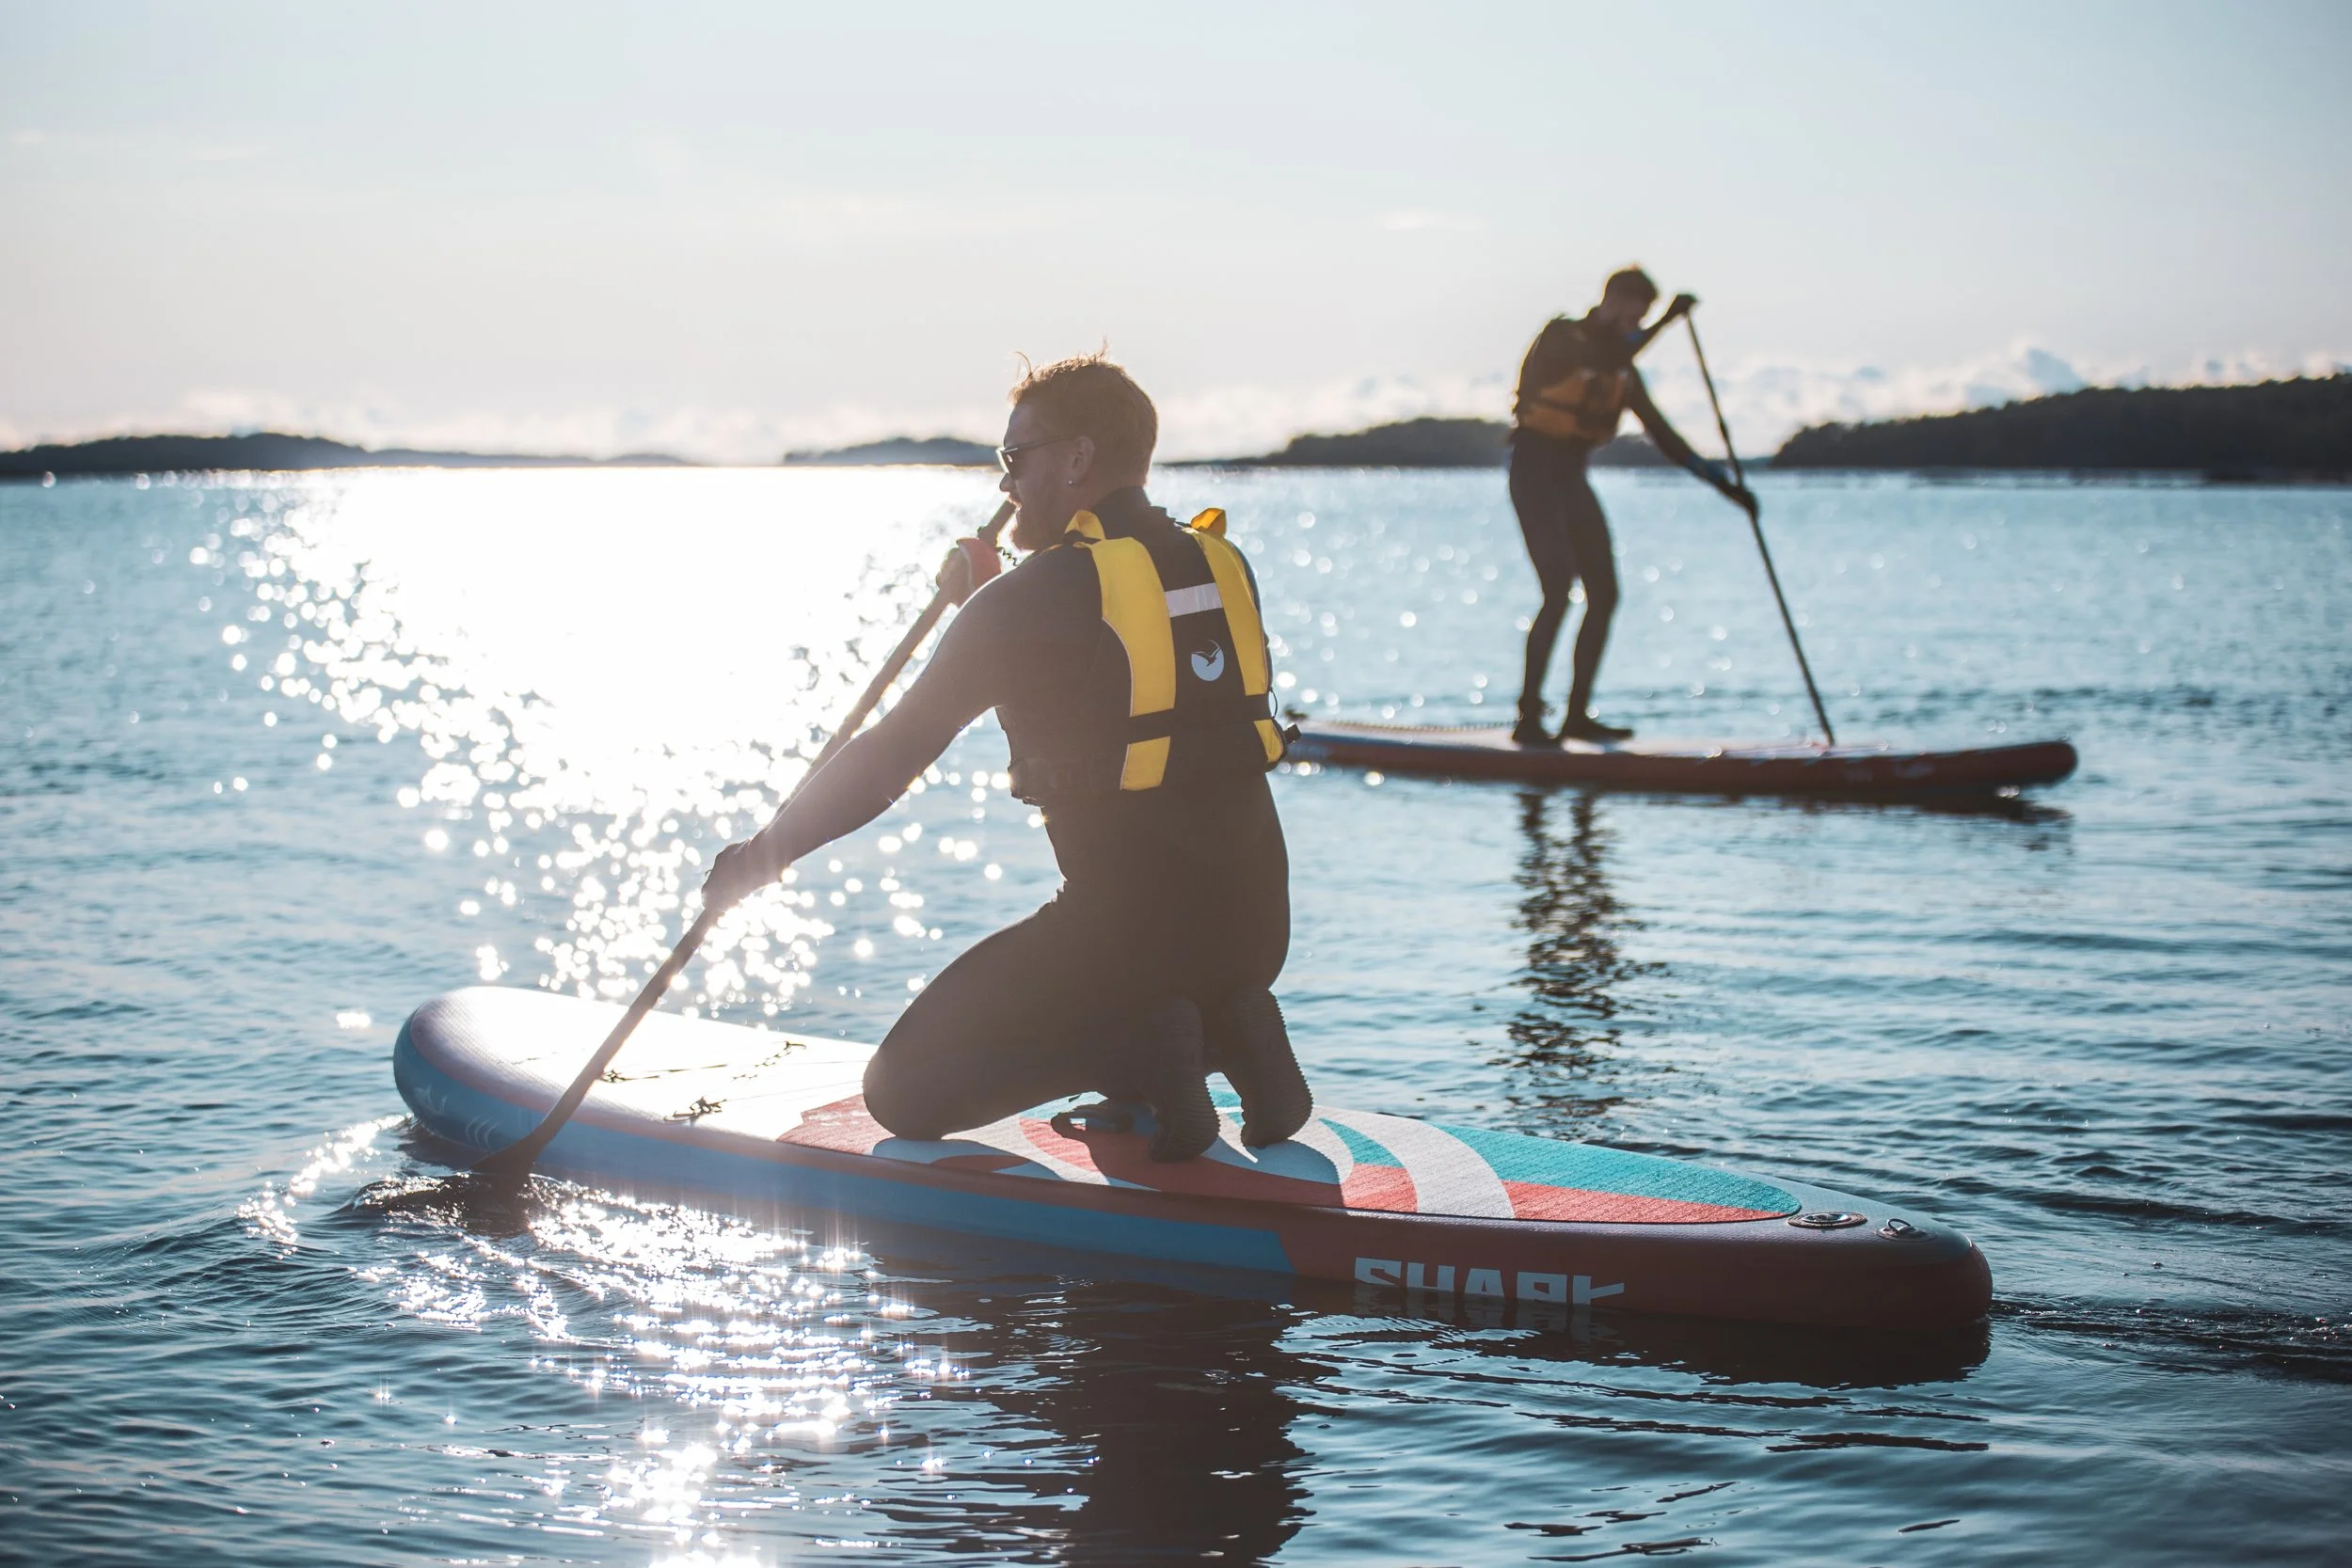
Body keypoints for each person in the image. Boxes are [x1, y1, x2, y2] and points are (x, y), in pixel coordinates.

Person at [698, 354, 1311, 1162]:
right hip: (1256, 929)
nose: (1004, 485)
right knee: (1163, 970)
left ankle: (1144, 1048)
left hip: (1128, 938)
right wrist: (988, 597)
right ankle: (1232, 1028)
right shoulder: (1222, 564)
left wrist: (762, 855)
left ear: (1077, 459)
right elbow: (1104, 642)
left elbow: (891, 757)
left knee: (901, 1092)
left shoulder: (1026, 601)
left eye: (1014, 459)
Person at [1509, 266, 1756, 744]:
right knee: (1558, 591)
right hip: (1533, 474)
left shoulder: (1624, 372)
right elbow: (1605, 354)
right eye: (1630, 313)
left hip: (1572, 479)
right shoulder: (1562, 337)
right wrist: (1666, 321)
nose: (1634, 322)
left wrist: (1727, 488)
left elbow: (1667, 439)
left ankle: (1577, 716)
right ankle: (1528, 718)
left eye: (1641, 316)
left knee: (1605, 594)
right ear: (1609, 300)